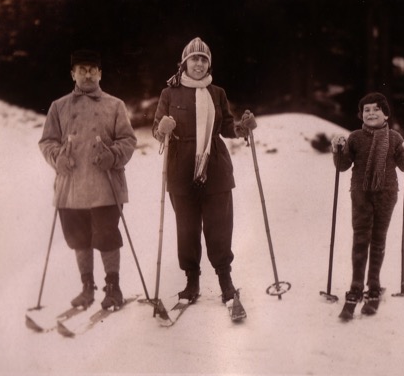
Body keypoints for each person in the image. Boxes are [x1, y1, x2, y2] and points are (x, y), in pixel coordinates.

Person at [152, 37, 256, 308]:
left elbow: (228, 126)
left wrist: (243, 128)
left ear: (208, 64)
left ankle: (225, 280)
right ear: (184, 62)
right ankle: (192, 280)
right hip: (180, 167)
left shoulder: (217, 92)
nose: (198, 63)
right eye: (193, 58)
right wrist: (162, 128)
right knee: (186, 228)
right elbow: (156, 130)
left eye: (203, 59)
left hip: (216, 166)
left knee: (219, 226)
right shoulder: (169, 93)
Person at [39, 49, 137, 310]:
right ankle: (86, 288)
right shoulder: (58, 107)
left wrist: (113, 156)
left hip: (105, 185)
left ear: (100, 73)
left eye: (93, 69)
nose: (88, 74)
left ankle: (113, 288)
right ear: (73, 74)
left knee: (106, 236)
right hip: (70, 187)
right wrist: (57, 159)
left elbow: (128, 140)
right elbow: (47, 141)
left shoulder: (115, 105)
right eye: (82, 69)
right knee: (78, 238)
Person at [331, 92, 404, 320]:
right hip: (360, 194)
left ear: (385, 113)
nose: (370, 114)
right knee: (361, 238)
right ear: (361, 114)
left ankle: (374, 285)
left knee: (378, 239)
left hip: (387, 194)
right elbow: (343, 166)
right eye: (366, 110)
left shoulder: (395, 137)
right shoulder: (356, 137)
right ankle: (356, 286)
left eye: (375, 109)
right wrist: (338, 149)